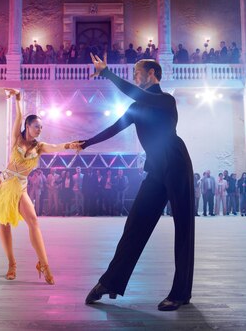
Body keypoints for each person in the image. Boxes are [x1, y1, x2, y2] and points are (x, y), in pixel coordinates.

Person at [82, 55, 194, 311]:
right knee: (135, 225)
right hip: (155, 169)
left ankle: (180, 294)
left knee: (184, 228)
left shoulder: (165, 100)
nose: (135, 76)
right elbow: (114, 128)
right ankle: (111, 281)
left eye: (137, 72)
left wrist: (107, 73)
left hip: (176, 163)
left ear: (152, 73)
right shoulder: (136, 107)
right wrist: (85, 143)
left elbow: (136, 93)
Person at [0, 88, 82, 285]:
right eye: (37, 126)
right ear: (28, 127)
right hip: (5, 185)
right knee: (4, 224)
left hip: (20, 188)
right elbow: (19, 115)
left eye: (41, 127)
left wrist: (70, 145)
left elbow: (56, 147)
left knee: (34, 221)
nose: (40, 130)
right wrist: (18, 97)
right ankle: (12, 264)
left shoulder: (39, 147)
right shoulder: (17, 139)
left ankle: (44, 264)